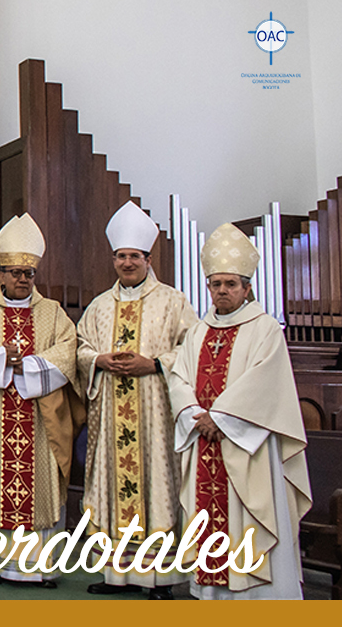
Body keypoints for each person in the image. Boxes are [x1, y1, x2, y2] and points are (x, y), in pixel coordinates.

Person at [166, 223, 310, 600]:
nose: (223, 291)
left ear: (246, 287)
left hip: (249, 450)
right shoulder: (197, 331)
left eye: (231, 284)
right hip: (204, 442)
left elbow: (266, 384)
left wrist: (222, 417)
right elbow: (178, 376)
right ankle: (212, 599)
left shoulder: (266, 330)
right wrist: (195, 413)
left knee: (250, 517)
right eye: (216, 284)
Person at [76, 203, 197, 599]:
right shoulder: (98, 306)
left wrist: (155, 364)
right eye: (121, 256)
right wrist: (98, 360)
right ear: (113, 259)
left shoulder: (173, 302)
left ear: (148, 259)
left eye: (134, 256)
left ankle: (159, 578)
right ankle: (116, 574)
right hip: (110, 412)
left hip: (154, 411)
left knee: (156, 483)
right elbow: (80, 348)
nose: (127, 262)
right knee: (110, 484)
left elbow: (192, 348)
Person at [0, 214, 83, 589]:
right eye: (14, 272)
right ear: (1, 274)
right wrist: (0, 360)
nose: (21, 279)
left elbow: (68, 352)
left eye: (27, 273)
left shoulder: (52, 312)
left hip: (40, 417)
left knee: (43, 485)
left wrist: (29, 365)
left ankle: (42, 566)